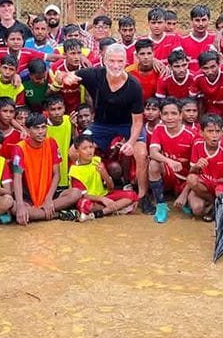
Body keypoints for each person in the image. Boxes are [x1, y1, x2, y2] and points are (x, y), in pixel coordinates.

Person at [60, 44, 148, 207]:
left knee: (141, 153)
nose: (115, 65)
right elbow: (62, 75)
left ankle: (143, 196)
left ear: (126, 62)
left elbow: (138, 122)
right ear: (104, 60)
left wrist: (130, 142)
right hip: (101, 124)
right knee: (73, 152)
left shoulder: (134, 85)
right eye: (111, 61)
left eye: (120, 61)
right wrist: (65, 77)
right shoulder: (93, 74)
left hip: (127, 124)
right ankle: (82, 190)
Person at [10, 112, 81, 223]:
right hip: (28, 196)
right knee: (14, 208)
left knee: (76, 193)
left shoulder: (51, 143)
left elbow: (56, 174)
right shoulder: (19, 148)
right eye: (36, 128)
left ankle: (39, 213)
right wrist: (20, 205)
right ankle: (57, 214)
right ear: (28, 130)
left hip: (49, 193)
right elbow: (17, 177)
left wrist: (48, 199)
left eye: (43, 127)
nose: (41, 131)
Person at [176, 113, 223, 220]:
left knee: (220, 192)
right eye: (210, 131)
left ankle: (215, 206)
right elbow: (192, 172)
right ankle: (214, 204)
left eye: (217, 131)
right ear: (201, 132)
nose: (214, 135)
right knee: (197, 208)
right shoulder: (197, 145)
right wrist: (197, 166)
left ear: (222, 132)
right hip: (205, 184)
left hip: (221, 183)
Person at [71, 134, 138, 220]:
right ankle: (115, 208)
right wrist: (102, 199)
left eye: (91, 147)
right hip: (92, 199)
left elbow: (111, 187)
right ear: (77, 151)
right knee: (84, 204)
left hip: (105, 195)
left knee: (132, 195)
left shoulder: (97, 161)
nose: (89, 151)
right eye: (84, 148)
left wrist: (105, 174)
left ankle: (99, 213)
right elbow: (82, 195)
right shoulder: (74, 171)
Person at [147, 98, 195, 220]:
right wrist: (169, 161)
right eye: (165, 114)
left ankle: (184, 196)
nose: (169, 117)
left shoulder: (192, 135)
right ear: (161, 116)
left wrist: (185, 192)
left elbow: (197, 169)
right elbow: (153, 152)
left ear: (180, 116)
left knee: (196, 208)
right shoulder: (159, 129)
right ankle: (161, 205)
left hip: (186, 178)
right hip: (169, 172)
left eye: (174, 113)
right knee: (153, 164)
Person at [194, 51, 223, 119]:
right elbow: (194, 100)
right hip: (210, 113)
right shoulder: (197, 77)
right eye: (205, 68)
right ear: (200, 68)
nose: (210, 71)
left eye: (213, 67)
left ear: (219, 64)